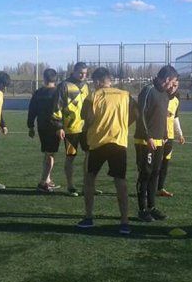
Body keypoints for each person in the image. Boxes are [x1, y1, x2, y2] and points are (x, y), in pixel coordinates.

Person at [76, 67, 137, 235]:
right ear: (109, 80)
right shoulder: (125, 95)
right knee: (120, 181)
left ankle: (89, 217)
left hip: (98, 143)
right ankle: (124, 222)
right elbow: (136, 113)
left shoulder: (93, 96)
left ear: (97, 81)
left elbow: (86, 117)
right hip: (119, 143)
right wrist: (122, 125)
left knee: (89, 179)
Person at [134, 65, 179, 222]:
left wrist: (165, 134)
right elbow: (140, 115)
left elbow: (162, 117)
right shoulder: (148, 90)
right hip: (145, 141)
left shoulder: (165, 94)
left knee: (155, 173)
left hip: (160, 141)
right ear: (166, 79)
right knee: (145, 174)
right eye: (172, 82)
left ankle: (152, 207)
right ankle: (142, 210)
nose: (172, 86)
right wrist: (148, 137)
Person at [54, 62, 92, 197]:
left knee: (89, 155)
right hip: (70, 129)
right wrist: (59, 126)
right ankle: (70, 186)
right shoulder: (64, 86)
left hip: (86, 128)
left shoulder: (86, 86)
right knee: (71, 157)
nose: (83, 76)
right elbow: (57, 107)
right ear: (74, 71)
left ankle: (87, 185)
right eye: (80, 73)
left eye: (85, 73)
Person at [27, 68, 65, 193]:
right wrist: (60, 127)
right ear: (56, 78)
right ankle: (43, 182)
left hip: (42, 127)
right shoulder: (57, 92)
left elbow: (32, 110)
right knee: (50, 154)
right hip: (53, 127)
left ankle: (47, 180)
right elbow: (59, 111)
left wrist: (31, 126)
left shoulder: (38, 93)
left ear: (44, 78)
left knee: (48, 153)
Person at [156, 79, 185, 197]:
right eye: (172, 85)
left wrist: (180, 134)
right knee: (155, 165)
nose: (173, 87)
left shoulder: (176, 100)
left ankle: (160, 188)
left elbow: (175, 118)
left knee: (165, 164)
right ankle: (148, 189)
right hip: (158, 135)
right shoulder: (159, 97)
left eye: (176, 85)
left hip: (170, 137)